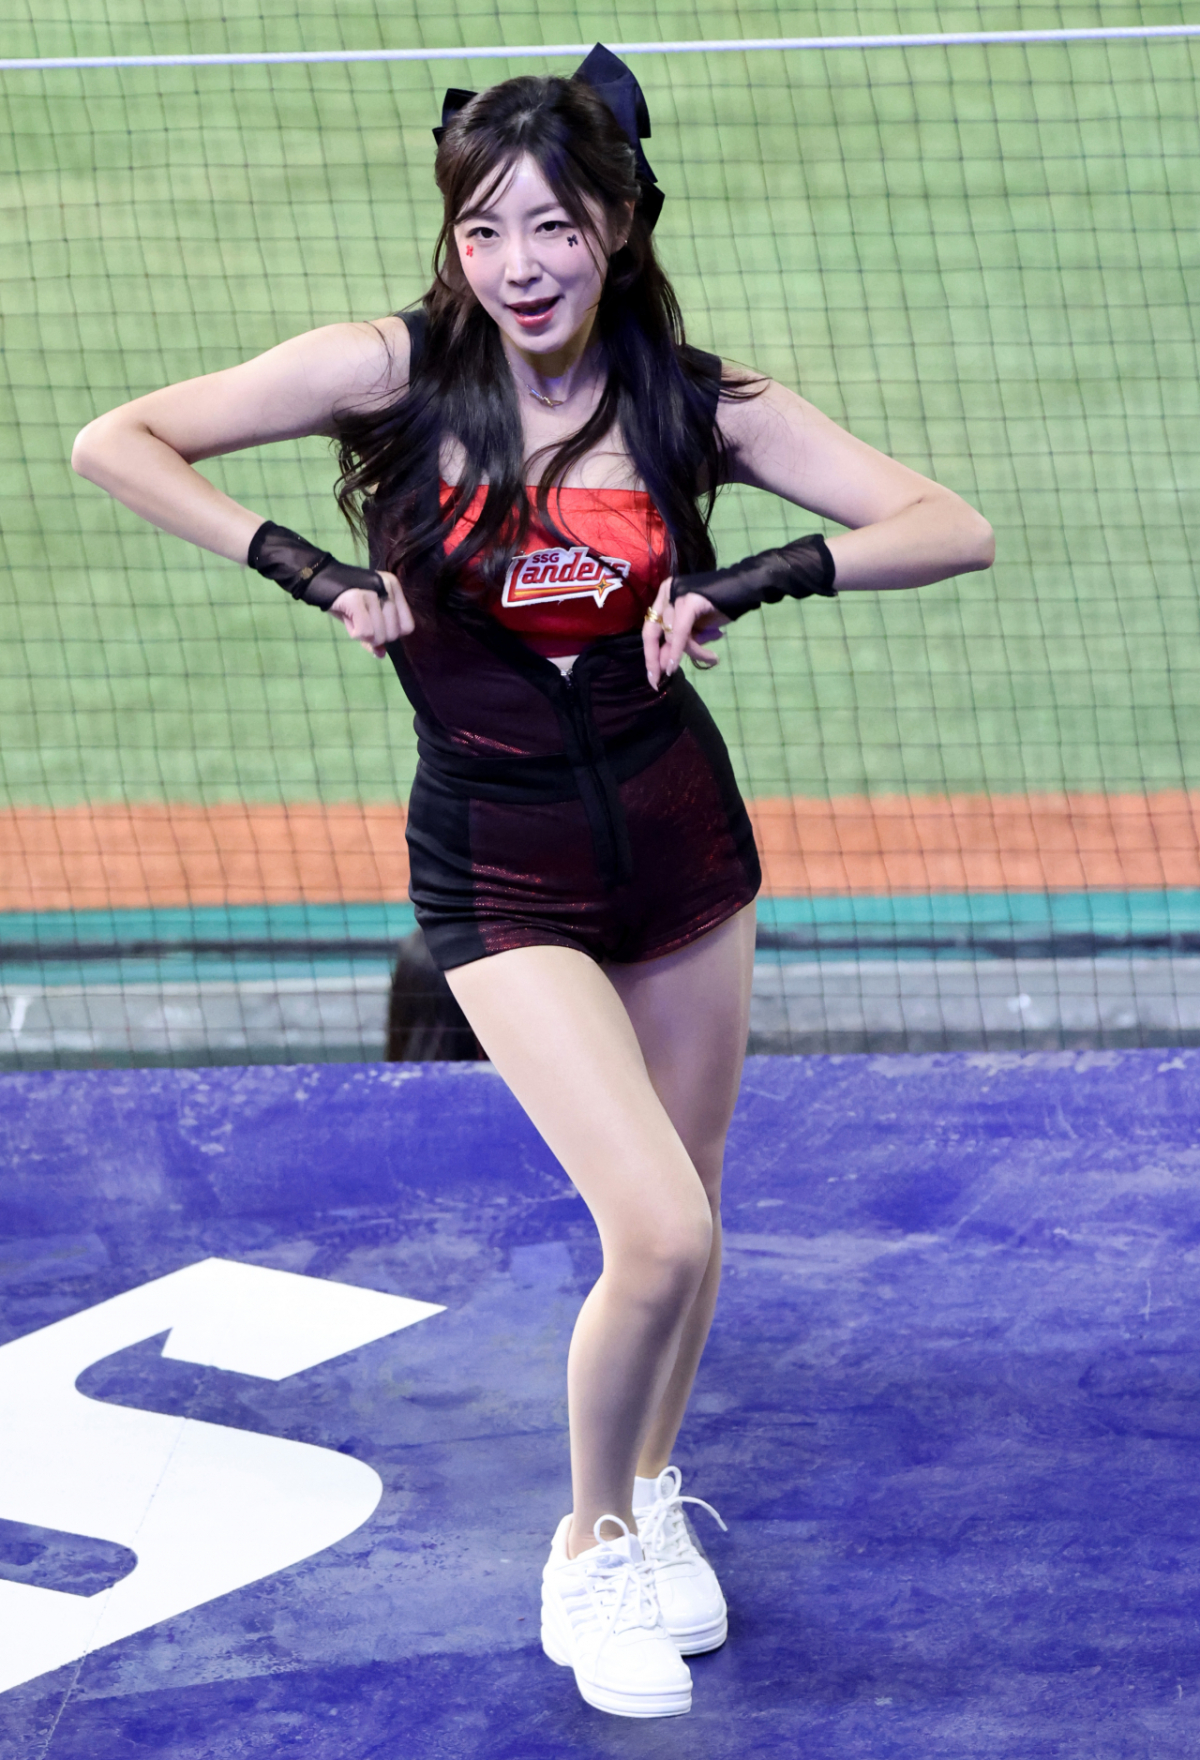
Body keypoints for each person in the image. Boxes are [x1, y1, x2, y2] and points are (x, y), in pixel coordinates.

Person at [71, 46, 993, 1720]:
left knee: (691, 1217)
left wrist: (753, 579)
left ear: (621, 228)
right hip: (500, 872)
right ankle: (588, 1551)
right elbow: (115, 441)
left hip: (686, 853)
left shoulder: (694, 404)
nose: (520, 264)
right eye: (486, 227)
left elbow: (948, 524)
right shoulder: (390, 374)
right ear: (454, 239)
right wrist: (311, 570)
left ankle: (647, 1490)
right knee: (655, 1229)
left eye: (557, 225)